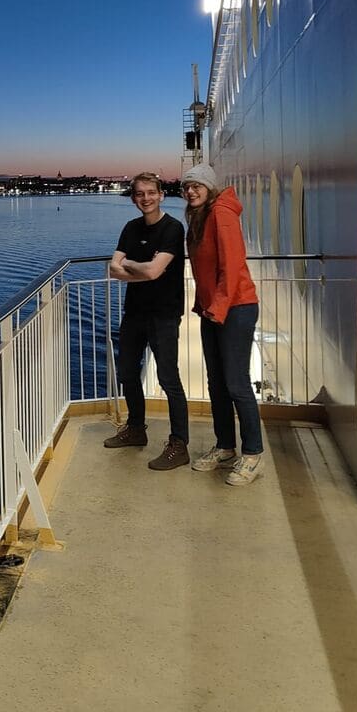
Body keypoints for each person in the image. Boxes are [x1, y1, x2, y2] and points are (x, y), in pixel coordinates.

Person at [181, 163, 263, 486]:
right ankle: (226, 446)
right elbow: (204, 268)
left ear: (210, 187)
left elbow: (231, 266)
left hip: (236, 308)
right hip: (213, 310)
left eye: (197, 185)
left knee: (236, 382)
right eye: (187, 186)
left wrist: (217, 307)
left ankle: (253, 453)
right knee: (216, 382)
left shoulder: (222, 214)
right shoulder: (199, 218)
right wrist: (204, 305)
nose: (190, 190)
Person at [105, 172, 189, 470]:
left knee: (168, 378)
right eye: (140, 194)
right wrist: (137, 266)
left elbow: (153, 272)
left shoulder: (173, 228)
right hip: (135, 311)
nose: (146, 198)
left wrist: (130, 264)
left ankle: (179, 444)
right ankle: (136, 430)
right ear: (134, 198)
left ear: (161, 195)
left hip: (164, 313)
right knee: (128, 372)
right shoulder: (131, 227)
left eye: (151, 193)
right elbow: (112, 270)